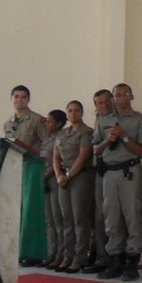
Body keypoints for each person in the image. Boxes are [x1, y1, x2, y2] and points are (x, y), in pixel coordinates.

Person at [93, 83, 142, 282]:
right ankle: (115, 260)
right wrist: (108, 140)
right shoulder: (103, 119)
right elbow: (96, 150)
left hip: (130, 171)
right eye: (115, 95)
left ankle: (132, 262)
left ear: (131, 96)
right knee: (112, 217)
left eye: (122, 95)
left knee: (132, 216)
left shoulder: (140, 120)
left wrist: (123, 136)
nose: (118, 99)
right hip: (109, 173)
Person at [53, 100, 94, 273]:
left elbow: (83, 155)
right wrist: (59, 175)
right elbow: (55, 156)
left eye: (76, 110)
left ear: (82, 112)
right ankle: (67, 256)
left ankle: (80, 257)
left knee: (80, 219)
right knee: (66, 219)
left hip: (79, 176)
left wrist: (68, 176)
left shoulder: (86, 132)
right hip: (63, 177)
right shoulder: (62, 133)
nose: (73, 113)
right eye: (70, 110)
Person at [81, 89, 115, 274]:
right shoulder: (99, 121)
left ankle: (118, 257)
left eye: (107, 101)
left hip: (118, 171)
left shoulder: (120, 118)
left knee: (115, 217)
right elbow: (95, 147)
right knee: (99, 217)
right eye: (99, 103)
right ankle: (102, 257)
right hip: (100, 171)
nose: (104, 105)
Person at [40, 109, 67, 270]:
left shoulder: (61, 137)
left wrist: (47, 174)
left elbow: (58, 160)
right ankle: (52, 252)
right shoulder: (48, 138)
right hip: (45, 180)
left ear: (59, 123)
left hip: (56, 180)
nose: (47, 123)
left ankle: (62, 254)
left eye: (50, 121)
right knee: (49, 220)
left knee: (59, 220)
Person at [3, 85, 49, 151]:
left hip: (31, 159)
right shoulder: (7, 124)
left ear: (28, 100)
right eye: (16, 97)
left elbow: (48, 143)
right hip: (13, 159)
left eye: (23, 97)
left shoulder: (37, 119)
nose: (19, 100)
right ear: (11, 99)